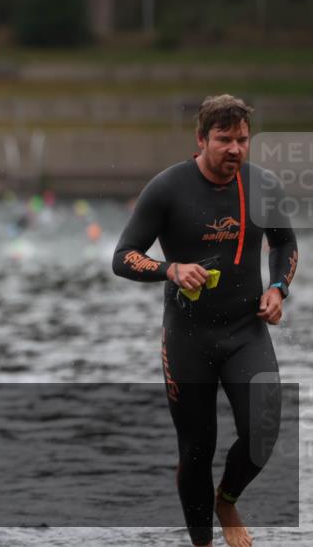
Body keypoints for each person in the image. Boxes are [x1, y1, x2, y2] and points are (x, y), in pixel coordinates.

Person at [112, 94, 298, 547]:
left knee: (265, 427)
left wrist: (278, 289)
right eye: (223, 139)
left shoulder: (263, 187)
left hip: (245, 331)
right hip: (188, 337)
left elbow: (286, 247)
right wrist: (169, 269)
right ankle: (202, 544)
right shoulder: (167, 188)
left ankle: (227, 499)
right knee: (197, 449)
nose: (234, 149)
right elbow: (122, 257)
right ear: (201, 140)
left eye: (242, 140)